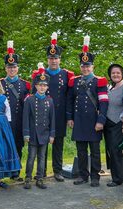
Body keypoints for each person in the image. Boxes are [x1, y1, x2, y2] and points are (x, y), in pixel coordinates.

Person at [31, 32, 74, 182]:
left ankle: (57, 170)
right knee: (41, 143)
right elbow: (32, 95)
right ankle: (41, 171)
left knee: (58, 144)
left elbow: (69, 97)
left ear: (59, 59)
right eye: (51, 58)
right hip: (43, 115)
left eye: (56, 58)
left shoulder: (66, 75)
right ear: (47, 59)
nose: (53, 60)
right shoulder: (40, 75)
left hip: (60, 115)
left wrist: (69, 117)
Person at [66, 35, 109, 187]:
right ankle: (83, 175)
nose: (85, 68)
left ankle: (95, 177)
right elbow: (70, 100)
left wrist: (101, 121)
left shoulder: (100, 81)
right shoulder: (75, 81)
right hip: (79, 120)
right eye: (83, 66)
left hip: (93, 121)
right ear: (80, 67)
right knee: (81, 151)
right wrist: (69, 118)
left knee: (95, 151)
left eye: (88, 66)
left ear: (93, 67)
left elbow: (104, 102)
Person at [1, 41, 31, 182]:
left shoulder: (25, 84)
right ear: (5, 68)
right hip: (4, 121)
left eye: (14, 67)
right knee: (5, 145)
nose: (11, 69)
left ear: (17, 68)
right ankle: (5, 170)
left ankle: (16, 172)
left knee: (18, 146)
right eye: (9, 67)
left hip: (19, 120)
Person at [104, 64, 123, 187]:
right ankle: (119, 176)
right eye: (113, 73)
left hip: (119, 124)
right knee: (111, 150)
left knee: (117, 151)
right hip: (108, 124)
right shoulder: (109, 87)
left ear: (122, 74)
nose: (115, 75)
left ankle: (117, 179)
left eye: (118, 73)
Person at [23, 71, 55, 189]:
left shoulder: (49, 101)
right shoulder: (30, 100)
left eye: (44, 85)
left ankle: (40, 178)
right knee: (31, 157)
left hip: (45, 134)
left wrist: (52, 135)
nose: (42, 87)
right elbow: (25, 119)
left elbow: (52, 119)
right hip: (32, 134)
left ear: (47, 87)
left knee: (42, 158)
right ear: (36, 86)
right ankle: (27, 178)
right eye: (40, 85)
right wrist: (26, 133)